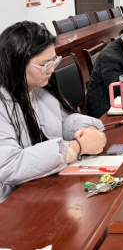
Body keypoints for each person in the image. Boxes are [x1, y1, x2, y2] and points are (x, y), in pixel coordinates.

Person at [0, 22, 106, 203]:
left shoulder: (39, 88)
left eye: (54, 61)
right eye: (44, 64)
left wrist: (86, 129)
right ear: (17, 63)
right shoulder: (4, 103)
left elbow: (62, 120)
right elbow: (8, 166)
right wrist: (75, 148)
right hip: (12, 201)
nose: (51, 69)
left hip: (42, 185)